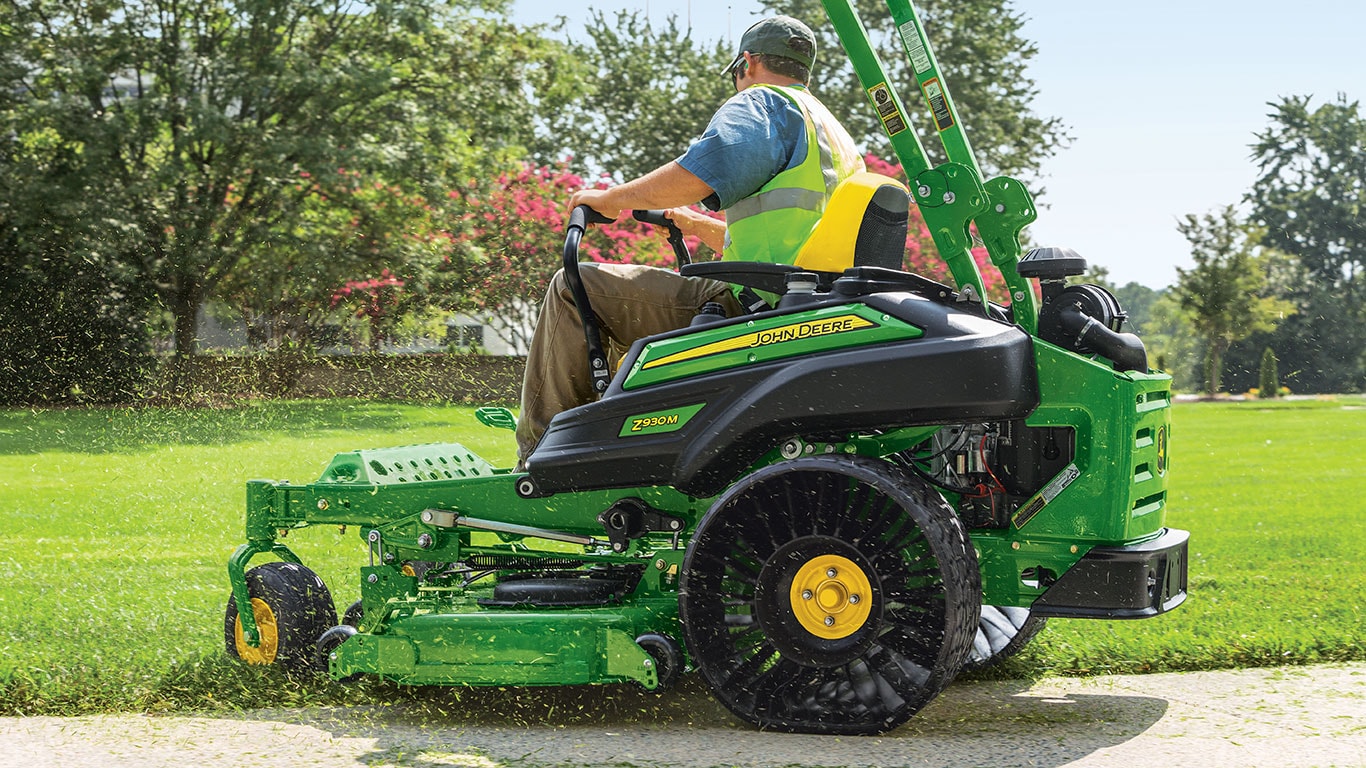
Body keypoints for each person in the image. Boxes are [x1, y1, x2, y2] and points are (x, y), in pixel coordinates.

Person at [516, 15, 864, 467]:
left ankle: (542, 457)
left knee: (574, 286)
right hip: (803, 301)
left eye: (739, 71)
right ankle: (615, 439)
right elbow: (798, 244)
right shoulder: (832, 132)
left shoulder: (765, 103)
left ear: (749, 61)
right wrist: (697, 224)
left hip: (751, 306)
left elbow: (702, 170)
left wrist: (611, 199)